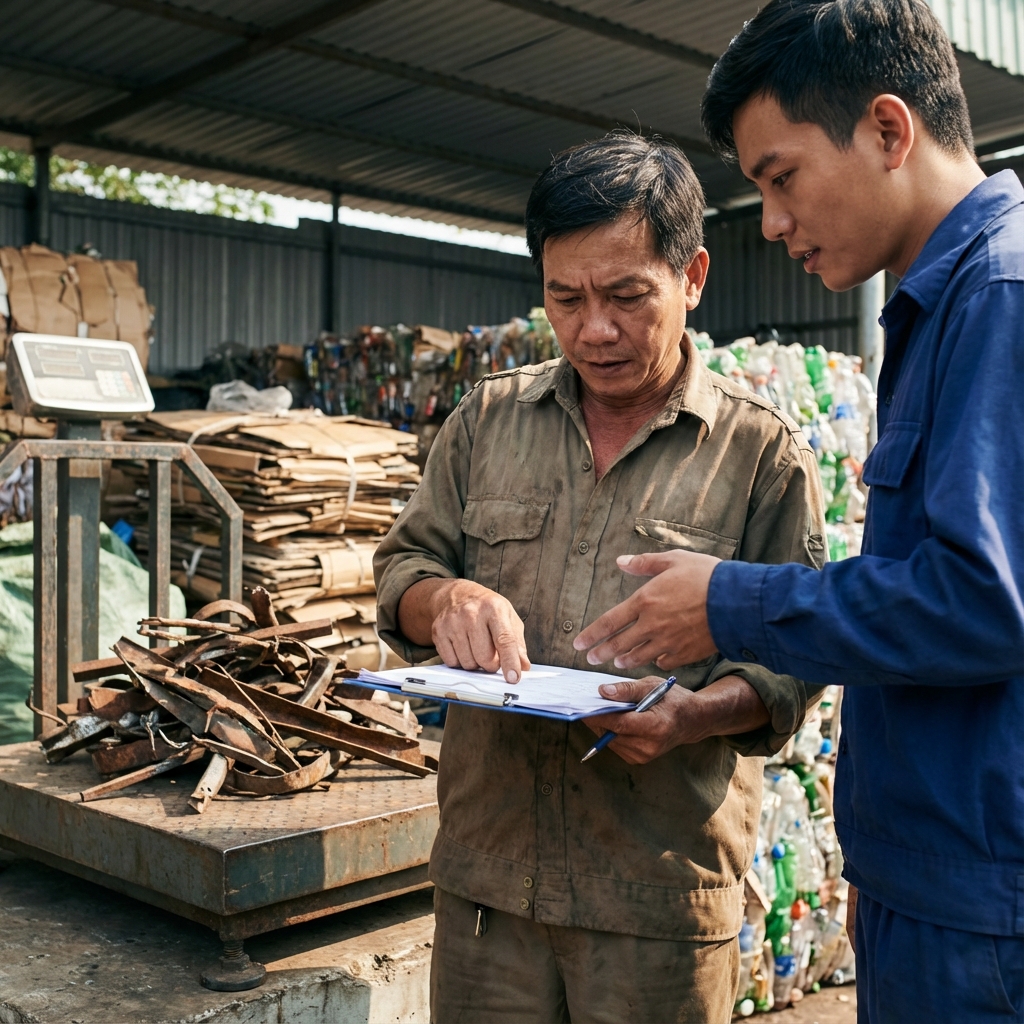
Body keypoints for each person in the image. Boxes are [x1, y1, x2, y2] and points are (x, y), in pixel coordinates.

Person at [573, 3, 1024, 1021]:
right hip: (938, 880)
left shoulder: (999, 296)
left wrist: (728, 604)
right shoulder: (943, 302)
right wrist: (886, 868)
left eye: (781, 177)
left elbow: (984, 601)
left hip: (983, 904)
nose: (771, 221)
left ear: (888, 129)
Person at [374, 133, 828, 1023]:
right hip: (488, 891)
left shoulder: (759, 454)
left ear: (692, 278)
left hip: (655, 904)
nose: (594, 329)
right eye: (565, 297)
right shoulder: (487, 421)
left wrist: (694, 715)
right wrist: (448, 600)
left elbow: (796, 660)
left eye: (626, 296)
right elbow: (405, 567)